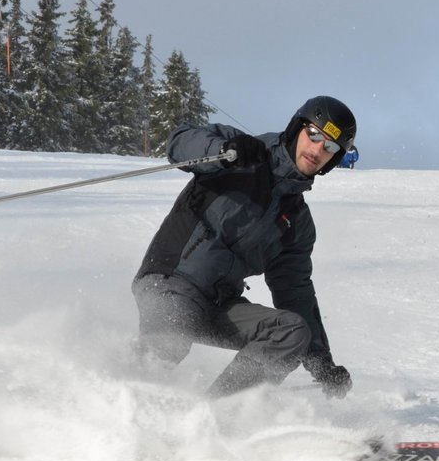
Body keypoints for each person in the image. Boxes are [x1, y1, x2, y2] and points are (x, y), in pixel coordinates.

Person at [131, 95, 357, 398]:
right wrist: (222, 151)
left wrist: (321, 363)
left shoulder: (296, 224)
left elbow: (296, 293)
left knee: (291, 331)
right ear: (297, 127)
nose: (318, 150)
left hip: (218, 305)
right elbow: (180, 141)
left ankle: (218, 414)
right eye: (314, 135)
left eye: (330, 147)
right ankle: (110, 406)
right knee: (169, 340)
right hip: (171, 282)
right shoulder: (243, 152)